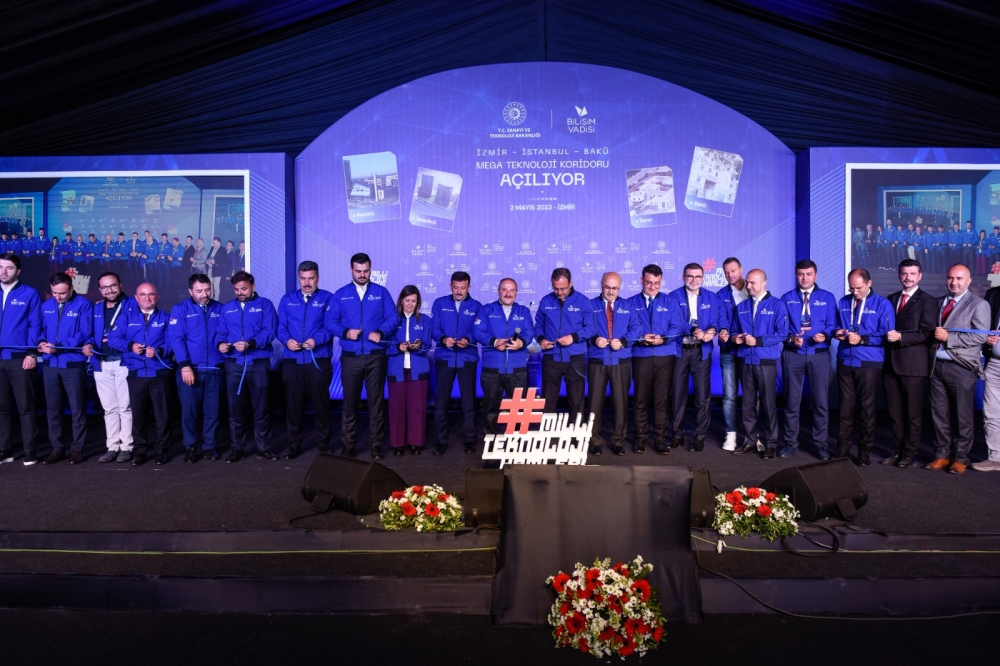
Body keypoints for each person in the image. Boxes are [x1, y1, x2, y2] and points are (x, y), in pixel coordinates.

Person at [329, 252, 396, 460]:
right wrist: (344, 332)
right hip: (351, 357)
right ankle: (348, 445)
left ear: (370, 270)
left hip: (376, 356)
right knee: (349, 404)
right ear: (351, 270)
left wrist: (381, 332)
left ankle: (376, 446)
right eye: (358, 271)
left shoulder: (381, 292)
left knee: (376, 403)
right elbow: (330, 321)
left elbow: (393, 317)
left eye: (366, 271)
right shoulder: (341, 294)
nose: (362, 275)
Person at [925, 264, 990, 474]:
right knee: (939, 415)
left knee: (962, 416)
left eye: (959, 278)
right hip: (936, 366)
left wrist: (949, 338)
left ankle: (961, 457)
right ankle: (942, 455)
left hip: (961, 368)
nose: (954, 282)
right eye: (951, 278)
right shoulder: (937, 303)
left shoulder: (979, 304)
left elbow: (981, 336)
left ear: (969, 281)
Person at [108, 282, 174, 466]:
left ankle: (161, 450)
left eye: (151, 294)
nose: (147, 298)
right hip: (136, 373)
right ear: (136, 298)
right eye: (143, 294)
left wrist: (159, 351)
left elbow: (172, 342)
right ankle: (140, 451)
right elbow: (113, 339)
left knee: (162, 415)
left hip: (159, 373)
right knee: (138, 415)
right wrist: (131, 346)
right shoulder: (126, 318)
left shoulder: (166, 318)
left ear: (157, 297)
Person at [216, 271, 279, 462]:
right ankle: (237, 448)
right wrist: (221, 344)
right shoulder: (227, 308)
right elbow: (220, 332)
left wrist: (251, 343)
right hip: (234, 364)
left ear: (253, 286)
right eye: (236, 289)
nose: (240, 292)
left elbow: (270, 331)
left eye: (243, 289)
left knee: (261, 408)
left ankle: (264, 448)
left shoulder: (265, 305)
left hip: (258, 363)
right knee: (235, 410)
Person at [833, 268, 894, 466]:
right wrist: (837, 332)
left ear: (869, 283)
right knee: (845, 409)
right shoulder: (844, 302)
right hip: (845, 361)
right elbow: (835, 326)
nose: (855, 292)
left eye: (859, 288)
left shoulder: (882, 304)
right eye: (851, 288)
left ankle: (864, 452)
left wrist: (862, 339)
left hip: (869, 363)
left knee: (867, 410)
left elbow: (887, 336)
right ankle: (842, 450)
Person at [725, 269, 788, 459]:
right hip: (745, 361)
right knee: (748, 405)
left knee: (768, 405)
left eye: (753, 282)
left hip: (766, 362)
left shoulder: (777, 305)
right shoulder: (742, 306)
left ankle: (771, 444)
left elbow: (782, 333)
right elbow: (734, 330)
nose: (749, 286)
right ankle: (750, 441)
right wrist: (735, 338)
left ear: (764, 283)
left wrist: (758, 341)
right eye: (748, 282)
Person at [277, 260, 336, 459]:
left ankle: (323, 445)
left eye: (311, 278)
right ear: (298, 278)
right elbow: (280, 327)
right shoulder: (287, 299)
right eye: (303, 278)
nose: (307, 282)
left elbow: (331, 326)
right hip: (292, 361)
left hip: (318, 359)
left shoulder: (328, 298)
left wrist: (316, 340)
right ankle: (294, 444)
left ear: (317, 278)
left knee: (321, 405)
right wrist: (286, 341)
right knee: (293, 406)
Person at [779, 260, 837, 460]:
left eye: (809, 274)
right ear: (796, 275)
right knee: (791, 402)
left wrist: (825, 335)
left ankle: (821, 445)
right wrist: (790, 339)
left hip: (818, 354)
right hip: (793, 354)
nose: (804, 278)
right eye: (801, 274)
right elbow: (781, 328)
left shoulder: (827, 297)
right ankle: (790, 443)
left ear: (816, 275)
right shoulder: (787, 298)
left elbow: (832, 325)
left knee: (820, 402)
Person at [882, 259, 937, 468]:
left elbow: (928, 333)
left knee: (913, 415)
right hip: (891, 364)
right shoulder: (891, 298)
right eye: (904, 273)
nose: (908, 277)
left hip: (914, 366)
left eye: (912, 274)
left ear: (919, 276)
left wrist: (902, 338)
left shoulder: (927, 301)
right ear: (899, 275)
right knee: (895, 414)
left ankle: (910, 454)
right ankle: (897, 451)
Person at [167, 273, 225, 462]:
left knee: (212, 412)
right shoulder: (180, 309)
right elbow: (176, 339)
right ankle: (191, 447)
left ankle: (209, 446)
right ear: (190, 291)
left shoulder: (220, 308)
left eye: (207, 289)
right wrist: (184, 365)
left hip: (214, 369)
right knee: (189, 412)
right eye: (199, 291)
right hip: (190, 369)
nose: (204, 294)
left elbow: (224, 334)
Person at [473, 277, 534, 452]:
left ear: (516, 292)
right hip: (492, 370)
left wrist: (521, 343)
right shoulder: (486, 310)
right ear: (498, 291)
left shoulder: (523, 311)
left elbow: (529, 332)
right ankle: (491, 444)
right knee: (490, 409)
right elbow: (477, 331)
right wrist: (493, 341)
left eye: (512, 290)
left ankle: (517, 444)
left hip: (517, 370)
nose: (508, 294)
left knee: (518, 410)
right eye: (505, 290)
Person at [38, 273, 93, 464]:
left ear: (71, 288)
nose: (58, 296)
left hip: (72, 363)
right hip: (50, 364)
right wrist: (41, 342)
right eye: (54, 292)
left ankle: (77, 449)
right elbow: (41, 330)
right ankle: (57, 448)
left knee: (77, 409)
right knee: (52, 409)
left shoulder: (83, 304)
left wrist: (59, 346)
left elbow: (85, 332)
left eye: (61, 293)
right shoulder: (46, 305)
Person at [668, 263, 723, 451]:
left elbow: (715, 320)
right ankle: (677, 435)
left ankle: (699, 437)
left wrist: (712, 331)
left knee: (703, 397)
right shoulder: (673, 297)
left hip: (702, 351)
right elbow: (675, 322)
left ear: (703, 278)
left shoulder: (711, 297)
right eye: (690, 276)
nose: (694, 280)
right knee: (678, 395)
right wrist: (693, 330)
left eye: (698, 276)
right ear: (683, 277)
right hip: (680, 351)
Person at [628, 264, 682, 454]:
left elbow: (677, 327)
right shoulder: (630, 303)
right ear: (641, 280)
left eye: (657, 283)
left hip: (665, 357)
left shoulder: (670, 302)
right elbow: (628, 328)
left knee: (661, 401)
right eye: (649, 282)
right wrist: (640, 338)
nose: (652, 287)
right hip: (641, 356)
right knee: (640, 400)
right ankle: (640, 439)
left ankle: (660, 440)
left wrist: (663, 339)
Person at [586, 272, 641, 456]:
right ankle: (595, 441)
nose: (610, 291)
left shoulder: (628, 306)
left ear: (619, 288)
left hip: (621, 361)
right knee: (594, 404)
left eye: (614, 288)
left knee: (621, 403)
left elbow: (637, 328)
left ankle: (618, 441)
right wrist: (594, 339)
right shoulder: (590, 305)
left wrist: (623, 342)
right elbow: (583, 328)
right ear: (601, 285)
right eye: (607, 287)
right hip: (597, 361)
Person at [82, 272, 134, 463]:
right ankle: (112, 446)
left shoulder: (133, 304)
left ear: (120, 285)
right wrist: (88, 345)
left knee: (125, 407)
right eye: (105, 287)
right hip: (101, 362)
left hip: (123, 361)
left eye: (113, 285)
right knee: (109, 408)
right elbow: (89, 334)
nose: (109, 290)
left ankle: (127, 447)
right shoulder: (96, 308)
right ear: (100, 289)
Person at [430, 271, 481, 455]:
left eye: (463, 288)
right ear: (450, 286)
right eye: (455, 287)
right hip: (445, 357)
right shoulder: (439, 303)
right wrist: (443, 339)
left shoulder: (477, 306)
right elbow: (434, 329)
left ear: (469, 287)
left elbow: (478, 330)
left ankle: (469, 440)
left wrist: (468, 339)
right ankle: (441, 440)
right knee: (441, 402)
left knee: (469, 403)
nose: (459, 291)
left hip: (467, 359)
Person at [535, 267, 592, 425]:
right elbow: (538, 325)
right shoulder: (546, 301)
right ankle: (547, 435)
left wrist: (573, 337)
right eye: (556, 288)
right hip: (551, 358)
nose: (559, 292)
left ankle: (576, 435)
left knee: (576, 401)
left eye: (563, 289)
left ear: (570, 284)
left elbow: (591, 328)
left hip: (575, 359)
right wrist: (541, 340)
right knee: (548, 401)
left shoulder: (583, 301)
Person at [0, 254, 41, 465]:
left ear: (18, 271)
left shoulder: (29, 293)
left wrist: (32, 353)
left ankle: (30, 451)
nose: (3, 271)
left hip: (20, 359)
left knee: (25, 406)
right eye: (0, 267)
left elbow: (35, 325)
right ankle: (5, 450)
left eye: (9, 268)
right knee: (1, 408)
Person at [386, 285, 433, 455]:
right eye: (407, 300)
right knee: (396, 408)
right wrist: (398, 347)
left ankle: (415, 443)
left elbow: (427, 345)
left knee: (417, 408)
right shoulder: (392, 320)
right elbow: (385, 345)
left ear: (418, 302)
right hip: (396, 369)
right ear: (401, 300)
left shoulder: (425, 320)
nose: (410, 304)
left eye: (414, 301)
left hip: (418, 369)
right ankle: (398, 444)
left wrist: (418, 346)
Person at [715, 257, 748, 450]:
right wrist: (724, 331)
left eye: (733, 270)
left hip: (750, 351)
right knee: (729, 395)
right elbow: (721, 319)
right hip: (729, 350)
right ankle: (731, 434)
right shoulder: (720, 295)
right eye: (726, 272)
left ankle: (753, 435)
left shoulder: (752, 288)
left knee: (752, 395)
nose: (730, 275)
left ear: (741, 269)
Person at [977, 282, 1000, 472]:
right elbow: (983, 326)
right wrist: (987, 338)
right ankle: (995, 458)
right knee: (991, 413)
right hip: (994, 363)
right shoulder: (994, 294)